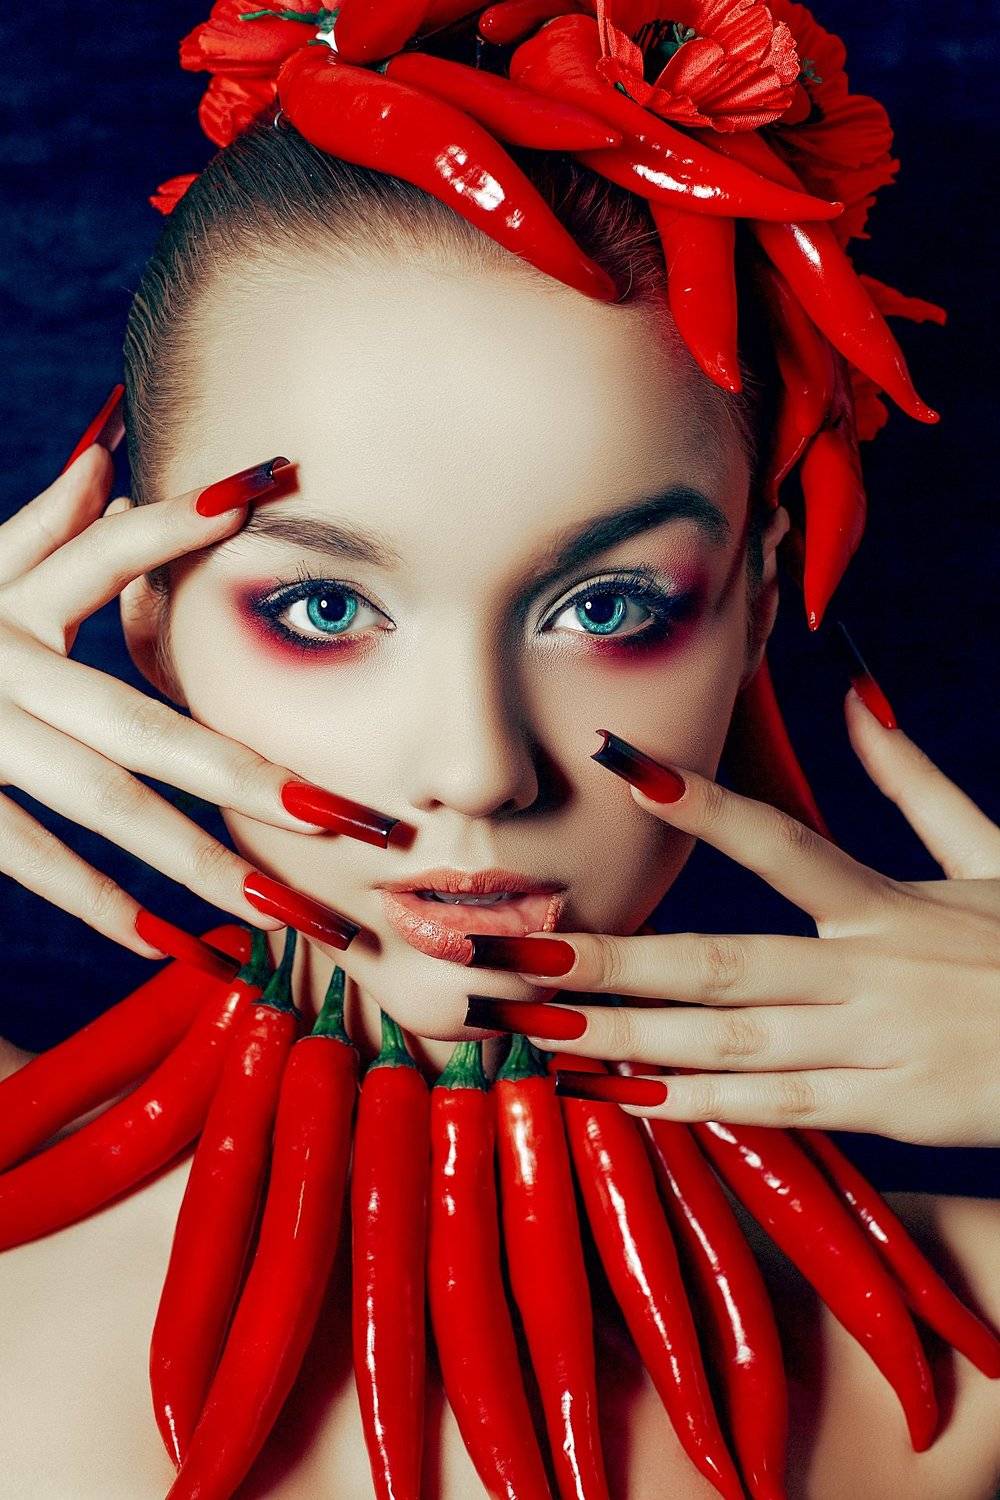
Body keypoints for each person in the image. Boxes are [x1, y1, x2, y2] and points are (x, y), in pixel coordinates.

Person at [0, 1, 997, 1495]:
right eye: (325, 605)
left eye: (606, 605)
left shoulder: (966, 1340)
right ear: (139, 615)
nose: (478, 769)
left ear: (754, 604)